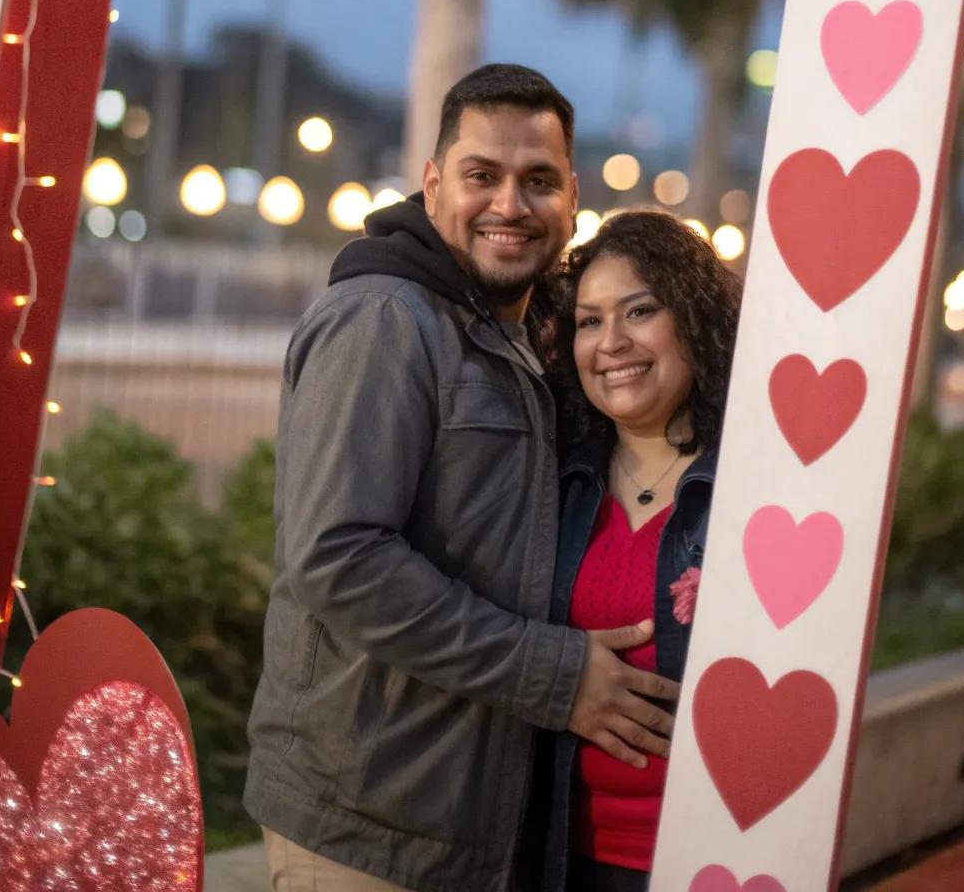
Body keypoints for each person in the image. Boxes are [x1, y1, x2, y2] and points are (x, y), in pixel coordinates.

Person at [245, 65, 679, 892]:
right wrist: (554, 676)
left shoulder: (530, 334)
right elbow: (340, 558)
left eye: (538, 181)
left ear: (574, 197)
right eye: (483, 176)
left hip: (468, 831)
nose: (510, 205)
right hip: (364, 829)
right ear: (436, 184)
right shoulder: (384, 319)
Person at [536, 210, 742, 892]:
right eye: (590, 322)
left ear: (695, 319)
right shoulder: (553, 482)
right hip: (558, 860)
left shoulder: (756, 488)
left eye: (639, 311)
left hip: (707, 862)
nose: (611, 343)